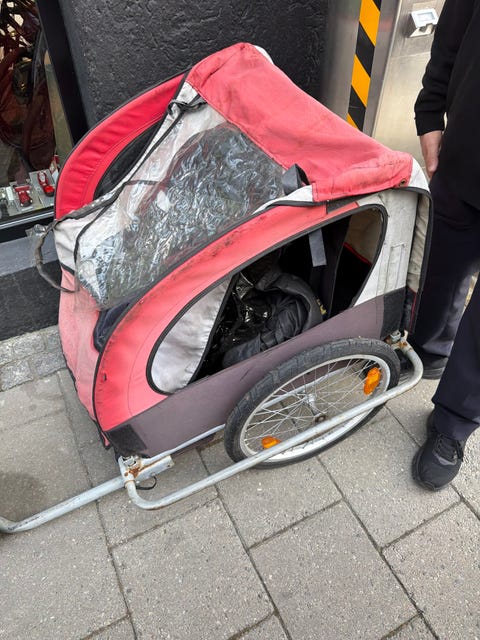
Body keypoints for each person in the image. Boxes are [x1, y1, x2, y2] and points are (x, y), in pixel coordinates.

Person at [410, 0, 480, 490]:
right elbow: (457, 23)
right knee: (442, 268)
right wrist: (430, 110)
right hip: (467, 156)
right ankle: (427, 349)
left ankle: (455, 420)